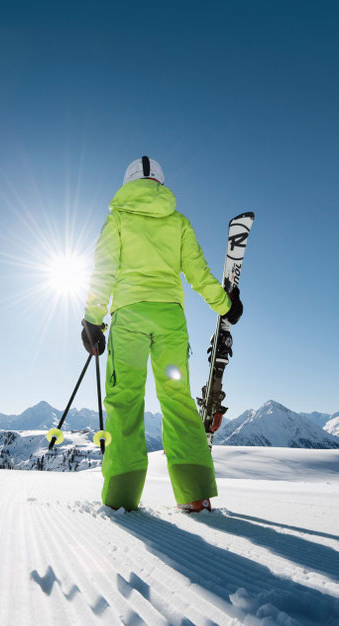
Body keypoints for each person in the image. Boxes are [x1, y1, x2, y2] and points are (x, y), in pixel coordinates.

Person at [80, 156, 243, 513]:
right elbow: (198, 274)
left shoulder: (118, 218)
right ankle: (195, 494)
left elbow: (103, 272)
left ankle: (122, 496)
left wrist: (92, 321)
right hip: (170, 320)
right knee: (177, 402)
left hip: (130, 318)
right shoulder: (178, 222)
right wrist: (225, 306)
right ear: (160, 183)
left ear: (128, 182)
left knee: (125, 402)